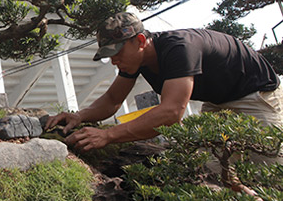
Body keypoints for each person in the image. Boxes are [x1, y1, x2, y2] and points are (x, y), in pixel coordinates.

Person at [45, 12, 283, 152]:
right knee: (213, 166)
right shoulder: (136, 60)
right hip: (218, 102)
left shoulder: (180, 48)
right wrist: (81, 115)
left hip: (256, 97)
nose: (114, 61)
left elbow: (172, 112)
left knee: (268, 162)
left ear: (140, 40)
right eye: (109, 55)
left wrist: (108, 135)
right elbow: (112, 100)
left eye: (116, 52)